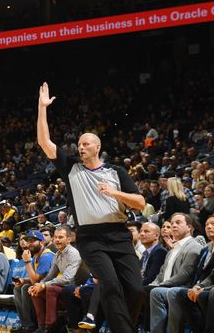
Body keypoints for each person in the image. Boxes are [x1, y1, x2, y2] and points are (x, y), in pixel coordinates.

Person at [37, 82, 146, 333]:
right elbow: (44, 141)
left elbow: (140, 203)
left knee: (137, 290)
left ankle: (122, 326)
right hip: (90, 238)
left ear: (97, 147)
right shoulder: (72, 169)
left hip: (119, 234)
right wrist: (43, 108)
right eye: (79, 143)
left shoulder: (116, 171)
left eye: (86, 143)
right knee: (109, 284)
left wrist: (113, 192)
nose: (81, 146)